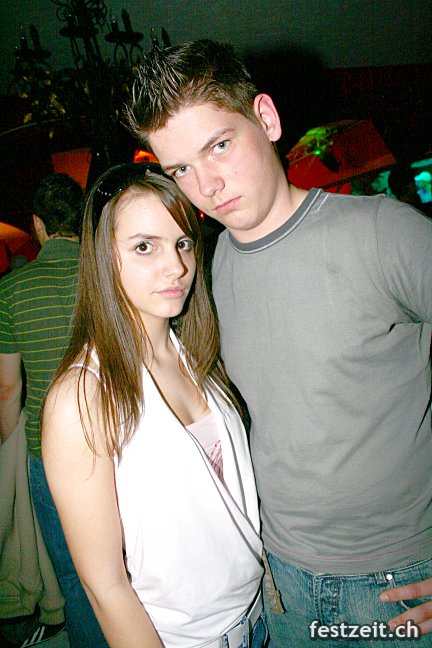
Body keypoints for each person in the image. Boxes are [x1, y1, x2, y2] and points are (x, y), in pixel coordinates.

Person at [125, 40, 432, 645]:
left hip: (398, 582)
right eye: (180, 169)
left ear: (265, 118)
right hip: (279, 579)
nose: (206, 184)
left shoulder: (383, 234)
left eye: (218, 145)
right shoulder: (203, 273)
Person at [41, 162, 266, 648]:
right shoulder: (82, 397)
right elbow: (105, 586)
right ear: (103, 256)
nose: (176, 267)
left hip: (263, 616)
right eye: (145, 246)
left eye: (183, 243)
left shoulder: (198, 355)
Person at [0, 173, 108, 647]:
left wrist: (13, 447)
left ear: (38, 224)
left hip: (50, 452)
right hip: (119, 440)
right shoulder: (110, 273)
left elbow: (7, 389)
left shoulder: (11, 290)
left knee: (72, 570)